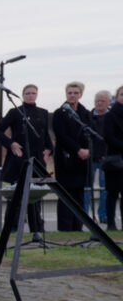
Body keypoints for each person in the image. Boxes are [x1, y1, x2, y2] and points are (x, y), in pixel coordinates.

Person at [0, 84, 54, 239]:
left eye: (33, 93)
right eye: (27, 93)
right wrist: (11, 144)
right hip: (18, 158)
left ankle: (36, 229)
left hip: (37, 160)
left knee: (35, 196)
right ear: (23, 95)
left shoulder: (43, 113)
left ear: (37, 95)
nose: (30, 96)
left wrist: (49, 150)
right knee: (17, 196)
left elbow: (45, 134)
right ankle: (11, 228)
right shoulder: (15, 112)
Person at [52, 82, 93, 231]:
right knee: (66, 195)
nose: (72, 95)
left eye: (75, 93)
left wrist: (87, 150)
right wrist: (78, 149)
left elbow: (90, 134)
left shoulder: (85, 113)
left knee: (79, 195)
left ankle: (78, 226)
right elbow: (61, 136)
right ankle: (65, 227)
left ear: (80, 94)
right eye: (70, 92)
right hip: (66, 159)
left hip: (82, 161)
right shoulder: (59, 113)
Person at [87, 90, 112, 223]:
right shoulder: (88, 117)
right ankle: (85, 215)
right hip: (90, 157)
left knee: (105, 189)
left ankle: (103, 215)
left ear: (108, 102)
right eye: (97, 101)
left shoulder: (112, 117)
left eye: (102, 101)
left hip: (107, 158)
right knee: (86, 188)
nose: (99, 104)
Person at [103, 86, 123, 231]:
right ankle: (111, 223)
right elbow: (109, 137)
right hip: (115, 159)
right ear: (116, 97)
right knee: (113, 193)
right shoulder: (110, 115)